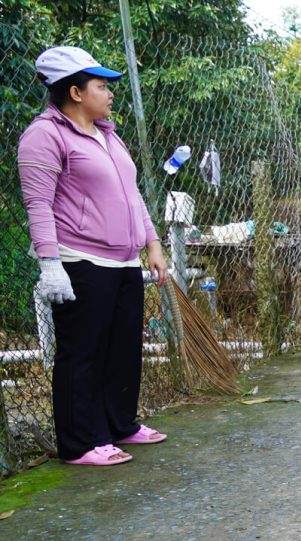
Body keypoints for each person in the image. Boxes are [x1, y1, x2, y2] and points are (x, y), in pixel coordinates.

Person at [18, 46, 169, 466]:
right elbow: (38, 205)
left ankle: (119, 425)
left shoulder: (108, 133)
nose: (110, 93)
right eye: (101, 86)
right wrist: (51, 265)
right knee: (82, 353)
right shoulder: (44, 135)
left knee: (122, 349)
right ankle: (80, 443)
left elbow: (132, 193)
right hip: (79, 259)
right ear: (75, 92)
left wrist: (152, 244)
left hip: (123, 260)